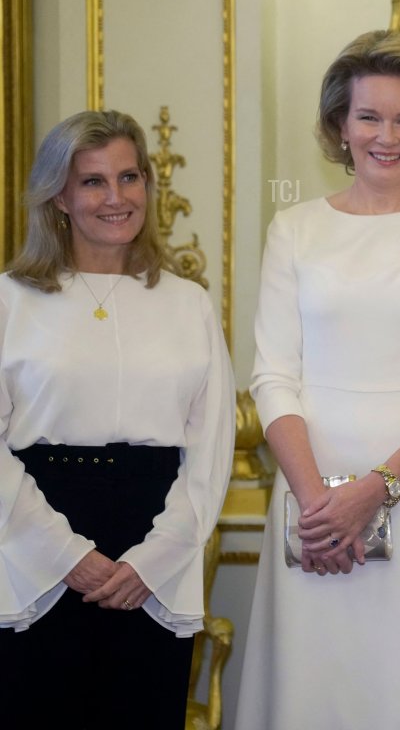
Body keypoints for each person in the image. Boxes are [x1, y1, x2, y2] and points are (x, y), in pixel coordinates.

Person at [236, 30, 400, 728]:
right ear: (339, 125)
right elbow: (273, 375)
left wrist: (376, 489)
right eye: (369, 117)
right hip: (315, 506)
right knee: (322, 686)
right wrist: (317, 507)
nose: (387, 136)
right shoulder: (293, 230)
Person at [0, 110, 235, 727]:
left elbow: (210, 451)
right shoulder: (11, 301)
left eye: (129, 178)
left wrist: (150, 561)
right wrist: (64, 554)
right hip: (32, 540)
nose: (117, 197)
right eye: (93, 182)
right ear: (58, 196)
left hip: (153, 539)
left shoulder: (189, 304)